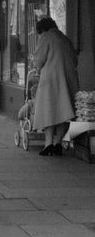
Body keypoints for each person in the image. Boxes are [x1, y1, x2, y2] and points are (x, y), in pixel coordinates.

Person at [31, 17, 79, 156]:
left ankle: (47, 145)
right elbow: (75, 61)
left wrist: (37, 68)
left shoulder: (46, 37)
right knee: (64, 112)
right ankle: (58, 143)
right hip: (68, 80)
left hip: (51, 81)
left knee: (49, 111)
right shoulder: (65, 39)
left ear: (41, 30)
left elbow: (39, 59)